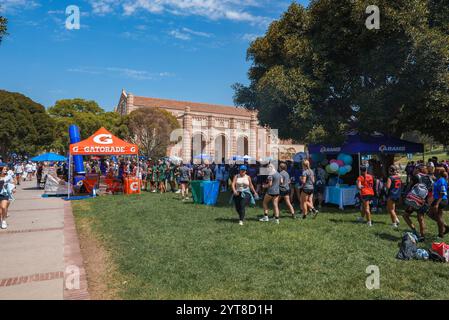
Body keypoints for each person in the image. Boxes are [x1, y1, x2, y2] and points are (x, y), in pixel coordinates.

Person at [403, 164, 434, 241]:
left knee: (405, 215)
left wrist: (404, 196)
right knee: (421, 218)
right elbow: (431, 191)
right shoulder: (430, 178)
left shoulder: (416, 176)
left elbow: (409, 187)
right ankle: (422, 237)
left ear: (418, 169)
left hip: (414, 200)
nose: (413, 170)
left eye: (415, 168)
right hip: (424, 201)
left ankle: (415, 231)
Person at [428, 168, 449, 238]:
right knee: (432, 215)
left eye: (435, 170)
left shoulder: (442, 180)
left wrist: (437, 204)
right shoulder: (439, 179)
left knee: (438, 217)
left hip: (441, 200)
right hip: (438, 199)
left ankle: (441, 234)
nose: (434, 171)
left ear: (438, 172)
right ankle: (445, 227)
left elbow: (442, 193)